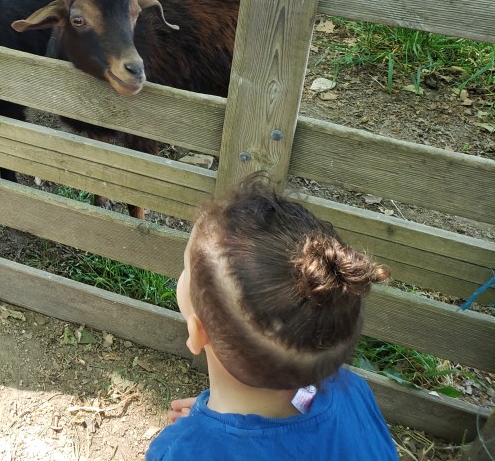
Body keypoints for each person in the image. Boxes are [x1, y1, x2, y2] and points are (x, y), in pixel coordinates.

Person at [146, 175, 399, 460]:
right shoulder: (351, 392)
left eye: (185, 269)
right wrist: (213, 432)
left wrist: (204, 438)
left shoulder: (178, 452)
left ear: (197, 333)